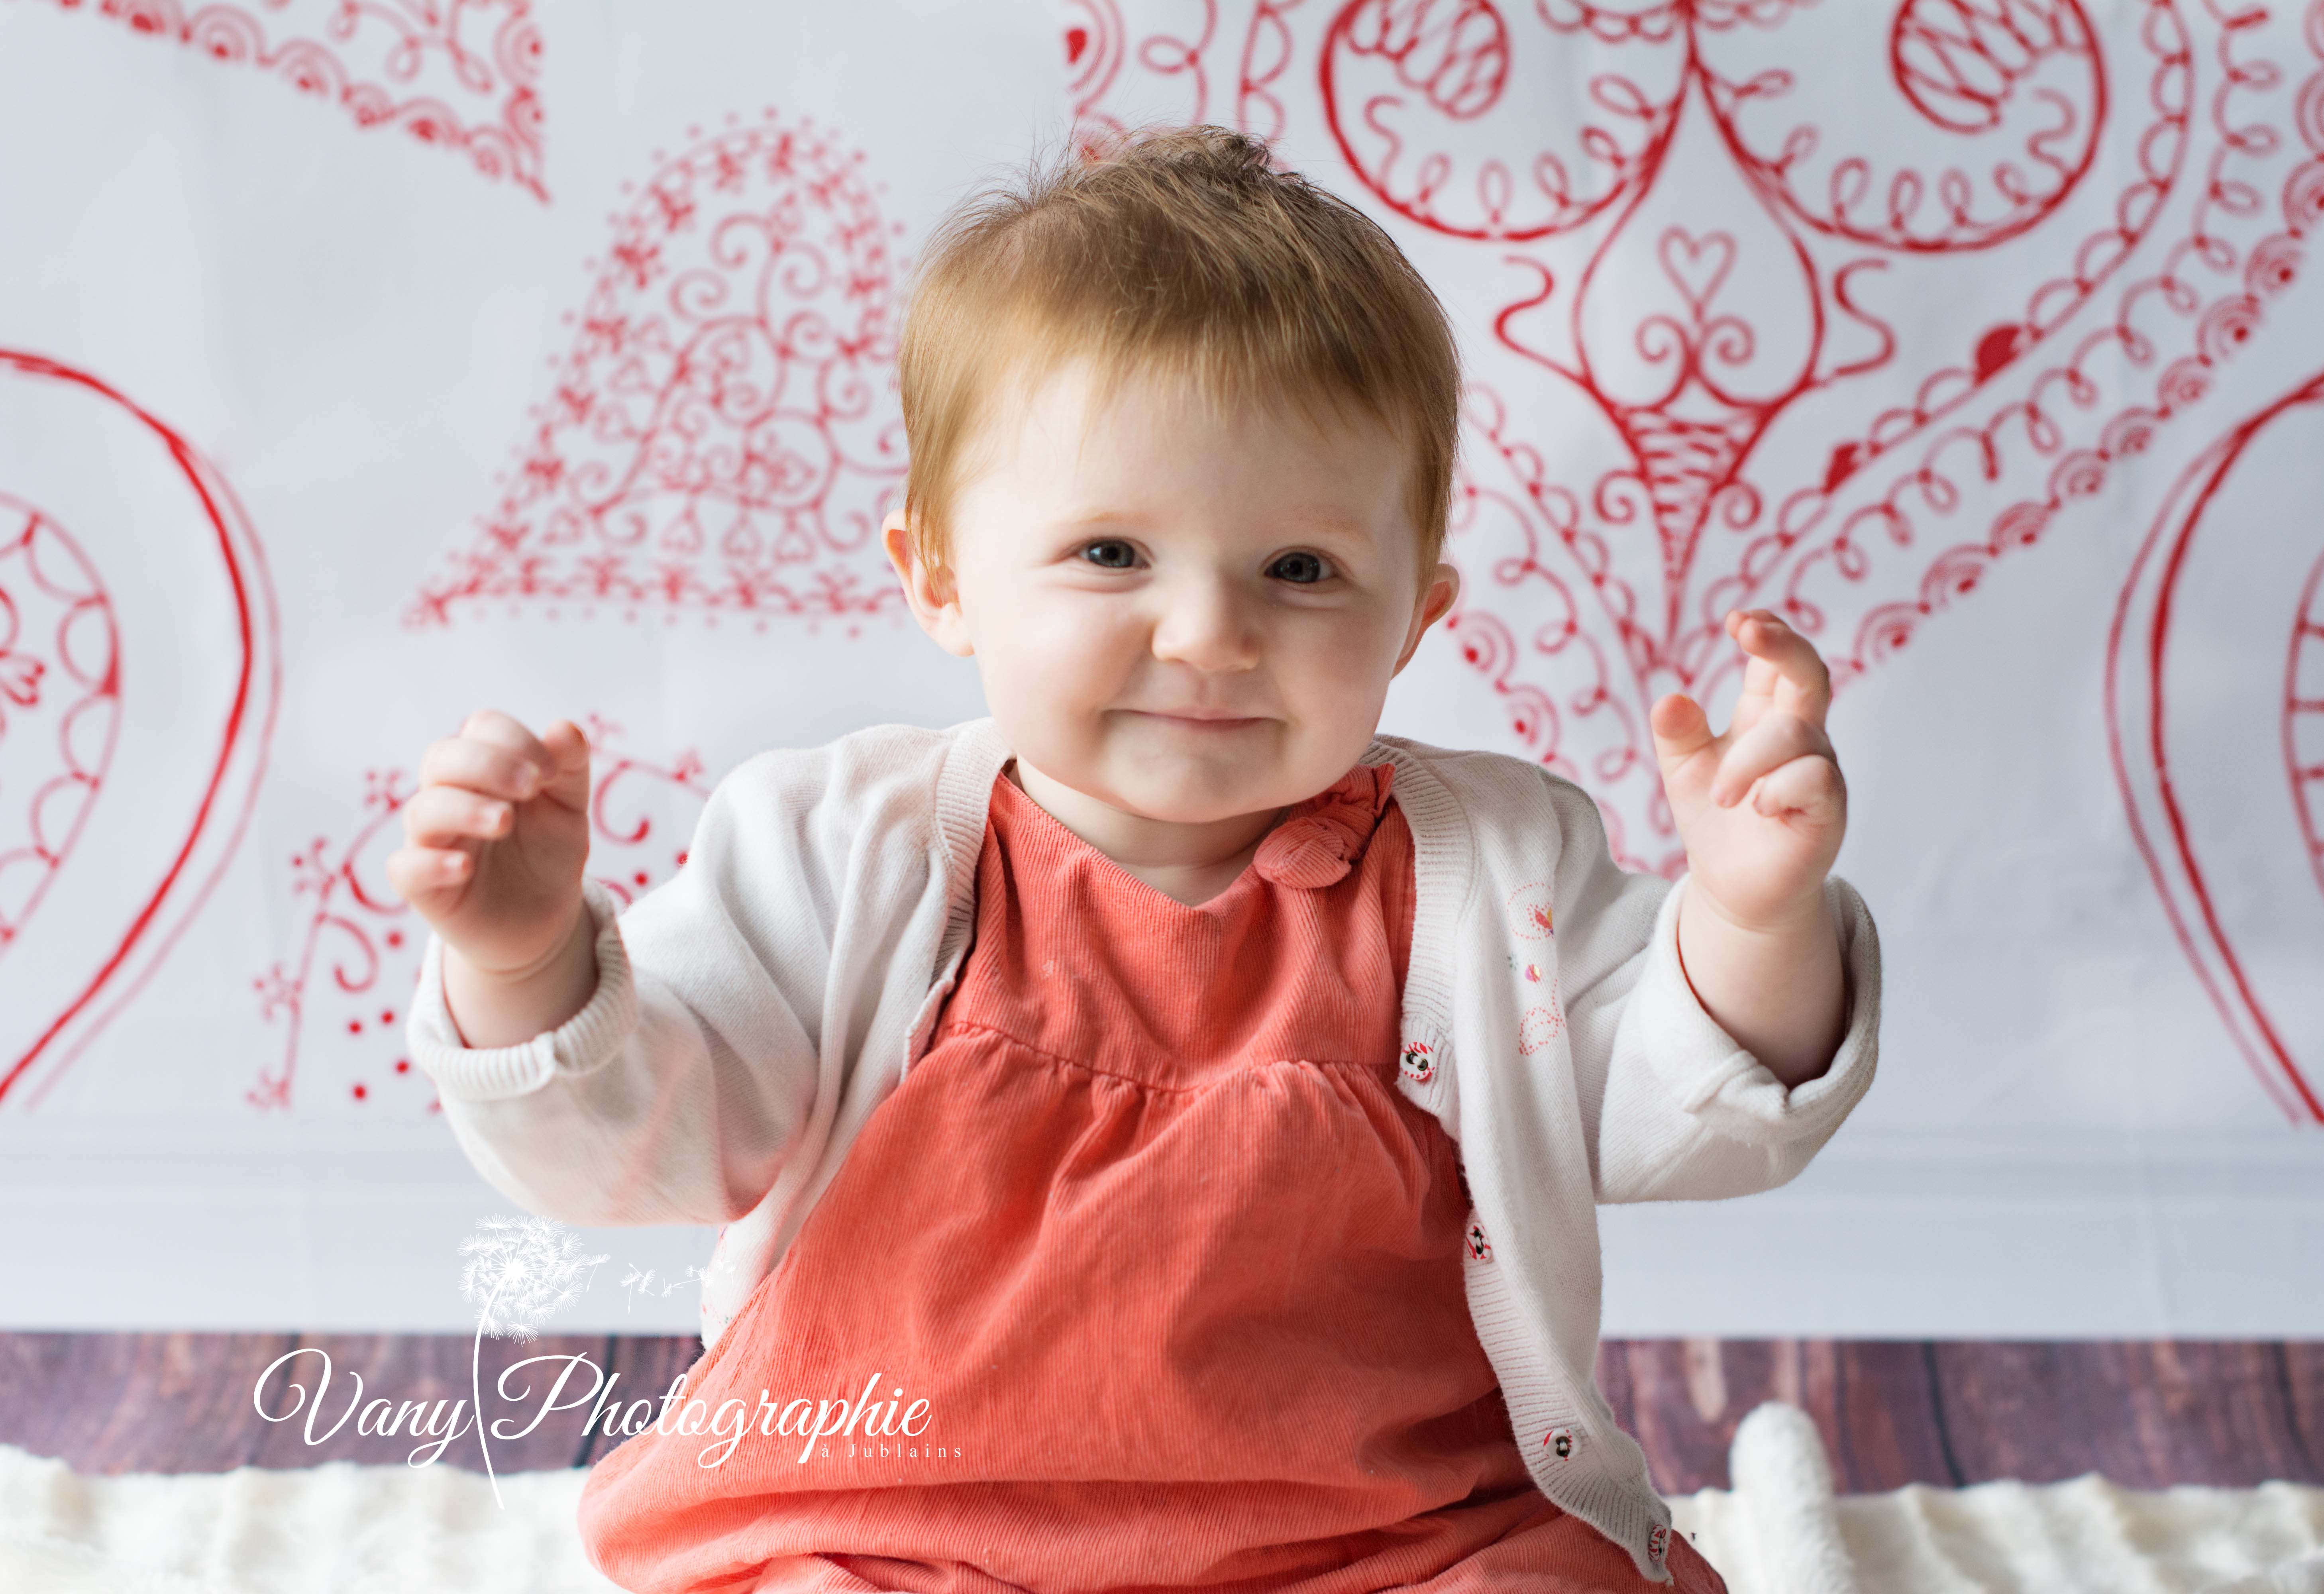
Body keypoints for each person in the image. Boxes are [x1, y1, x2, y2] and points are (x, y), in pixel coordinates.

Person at [397, 123, 1882, 1594]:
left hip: (1386, 1540)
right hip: (892, 1526)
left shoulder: (1494, 867)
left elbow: (1684, 1116)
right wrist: (527, 963)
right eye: (1112, 555)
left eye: (1302, 571)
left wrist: (1754, 917)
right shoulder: (836, 852)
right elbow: (645, 1147)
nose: (1210, 635)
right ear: (941, 578)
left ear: (1416, 616)